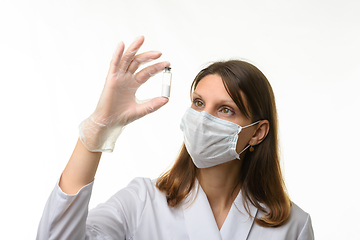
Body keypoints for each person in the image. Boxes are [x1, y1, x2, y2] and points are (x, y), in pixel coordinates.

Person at [37, 36, 314, 240]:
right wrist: (94, 134)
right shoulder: (142, 202)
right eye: (198, 103)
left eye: (225, 109)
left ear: (257, 132)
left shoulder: (293, 226)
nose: (204, 118)